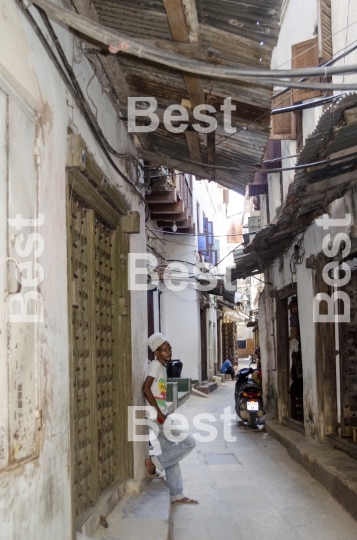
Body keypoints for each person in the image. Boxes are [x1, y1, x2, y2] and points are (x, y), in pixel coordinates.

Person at [143, 332, 198, 504]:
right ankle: (153, 463)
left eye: (169, 349)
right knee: (189, 442)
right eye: (164, 350)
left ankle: (176, 494)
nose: (169, 352)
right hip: (156, 417)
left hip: (160, 415)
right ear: (156, 352)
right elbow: (145, 388)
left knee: (171, 453)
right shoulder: (155, 366)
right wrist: (159, 413)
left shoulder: (160, 366)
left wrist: (163, 412)